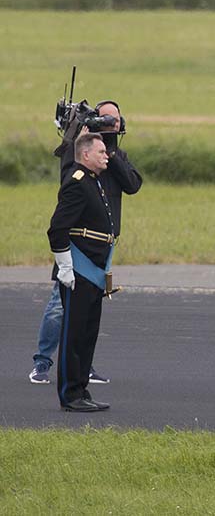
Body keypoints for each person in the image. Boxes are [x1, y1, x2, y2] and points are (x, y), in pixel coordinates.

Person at [31, 100, 141, 386]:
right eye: (104, 119)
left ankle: (82, 369)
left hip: (102, 248)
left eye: (114, 120)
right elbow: (69, 184)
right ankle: (43, 363)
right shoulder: (78, 151)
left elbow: (133, 184)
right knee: (62, 307)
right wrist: (89, 146)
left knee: (88, 315)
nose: (110, 125)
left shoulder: (114, 154)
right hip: (78, 249)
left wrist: (110, 153)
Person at [46, 133, 116, 412]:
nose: (106, 155)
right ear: (85, 155)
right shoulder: (76, 183)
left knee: (87, 333)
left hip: (93, 269)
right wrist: (64, 266)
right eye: (101, 151)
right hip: (78, 270)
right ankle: (69, 394)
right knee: (74, 334)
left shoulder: (92, 180)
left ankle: (80, 389)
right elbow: (58, 228)